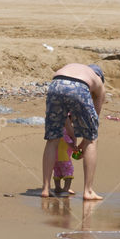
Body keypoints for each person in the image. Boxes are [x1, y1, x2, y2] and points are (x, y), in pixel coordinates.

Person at [41, 63, 105, 201]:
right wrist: (84, 142)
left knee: (52, 140)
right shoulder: (98, 82)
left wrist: (72, 133)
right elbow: (94, 123)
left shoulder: (74, 67)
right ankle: (88, 191)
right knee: (92, 140)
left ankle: (46, 188)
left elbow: (63, 116)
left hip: (56, 84)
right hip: (79, 86)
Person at [52, 118, 76, 196]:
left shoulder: (56, 128)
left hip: (54, 156)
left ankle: (57, 187)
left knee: (57, 171)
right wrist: (74, 147)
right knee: (69, 170)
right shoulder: (66, 130)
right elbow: (67, 139)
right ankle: (66, 187)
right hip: (63, 155)